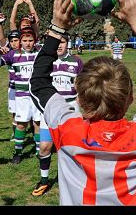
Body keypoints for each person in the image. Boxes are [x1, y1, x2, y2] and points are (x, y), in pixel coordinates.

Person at [29, 0, 136, 205]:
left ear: (78, 99)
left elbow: (39, 82)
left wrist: (56, 29)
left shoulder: (67, 130)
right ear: (130, 99)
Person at [32, 33, 83, 196]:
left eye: (63, 42)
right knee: (44, 147)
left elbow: (82, 85)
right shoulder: (47, 61)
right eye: (58, 42)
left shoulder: (76, 61)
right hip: (50, 109)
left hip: (71, 110)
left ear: (68, 43)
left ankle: (74, 180)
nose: (60, 45)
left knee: (70, 148)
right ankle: (44, 180)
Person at [0, 26, 42, 164]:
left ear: (35, 41)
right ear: (20, 41)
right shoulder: (13, 54)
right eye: (25, 40)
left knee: (38, 123)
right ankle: (18, 152)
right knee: (21, 124)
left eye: (30, 40)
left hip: (37, 95)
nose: (28, 43)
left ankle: (39, 152)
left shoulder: (39, 54)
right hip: (22, 96)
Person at [0, 12, 21, 141]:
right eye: (12, 41)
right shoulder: (9, 53)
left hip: (27, 87)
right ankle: (15, 133)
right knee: (15, 112)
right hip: (13, 87)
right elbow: (1, 40)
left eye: (17, 40)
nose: (14, 43)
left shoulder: (28, 52)